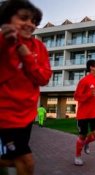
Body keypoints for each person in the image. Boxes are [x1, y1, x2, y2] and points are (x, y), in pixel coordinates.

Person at [0, 0, 52, 175]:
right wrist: (7, 44)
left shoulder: (39, 47)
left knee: (13, 159)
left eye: (34, 22)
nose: (30, 24)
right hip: (5, 115)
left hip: (27, 115)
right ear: (7, 19)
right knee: (26, 161)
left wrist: (27, 56)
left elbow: (43, 78)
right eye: (24, 18)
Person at [74, 59, 95, 166]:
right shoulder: (84, 81)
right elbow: (76, 97)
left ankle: (86, 143)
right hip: (83, 114)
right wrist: (88, 94)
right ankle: (77, 157)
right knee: (82, 136)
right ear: (91, 67)